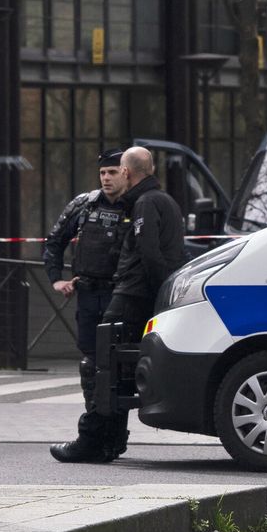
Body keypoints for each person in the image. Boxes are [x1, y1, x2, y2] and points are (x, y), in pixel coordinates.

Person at [96, 146, 187, 461]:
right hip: (144, 293)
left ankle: (98, 440)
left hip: (133, 295)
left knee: (105, 363)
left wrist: (159, 291)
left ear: (126, 172)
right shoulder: (165, 200)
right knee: (118, 367)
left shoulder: (146, 203)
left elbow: (149, 254)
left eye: (118, 169)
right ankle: (110, 439)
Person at [46, 149, 131, 464]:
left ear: (125, 173)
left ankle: (112, 437)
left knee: (118, 368)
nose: (107, 179)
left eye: (112, 172)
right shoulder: (84, 204)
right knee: (91, 366)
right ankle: (98, 437)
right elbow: (54, 242)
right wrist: (57, 278)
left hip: (120, 295)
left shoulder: (136, 206)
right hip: (88, 295)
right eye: (102, 173)